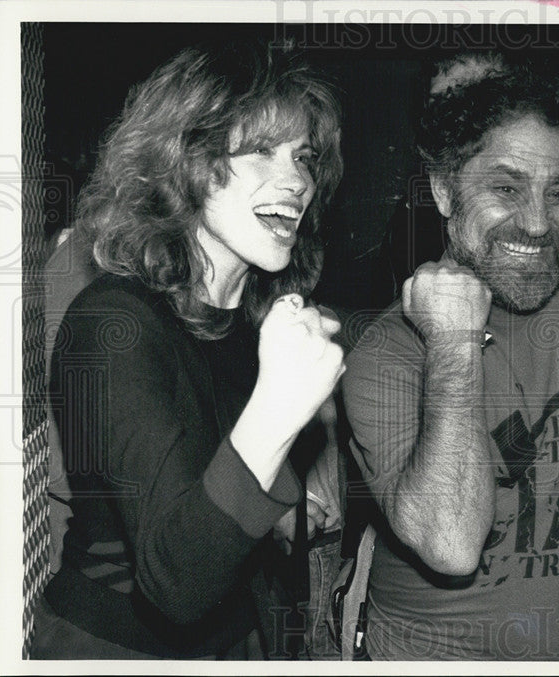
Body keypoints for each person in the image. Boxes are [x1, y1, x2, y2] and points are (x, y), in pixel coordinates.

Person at [31, 40, 345, 659]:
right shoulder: (111, 323)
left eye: (304, 157)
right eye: (260, 150)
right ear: (185, 163)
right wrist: (279, 410)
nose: (296, 181)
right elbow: (177, 582)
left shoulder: (249, 322)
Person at [341, 56, 559, 660]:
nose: (537, 223)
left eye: (558, 193)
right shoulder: (386, 352)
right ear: (443, 192)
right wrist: (453, 344)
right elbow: (451, 544)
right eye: (505, 188)